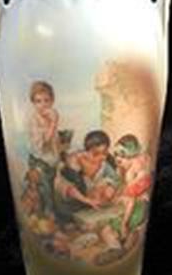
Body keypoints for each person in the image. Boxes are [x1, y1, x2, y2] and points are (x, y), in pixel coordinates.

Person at [54, 130, 120, 226]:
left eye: (104, 153)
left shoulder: (105, 163)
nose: (102, 157)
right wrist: (87, 200)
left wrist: (110, 189)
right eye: (96, 154)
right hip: (72, 206)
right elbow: (66, 187)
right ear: (87, 151)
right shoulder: (73, 162)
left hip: (92, 208)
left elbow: (114, 179)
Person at [26, 81, 60, 216]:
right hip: (39, 161)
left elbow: (54, 140)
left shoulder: (50, 115)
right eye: (38, 101)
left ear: (52, 101)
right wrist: (53, 122)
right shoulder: (34, 120)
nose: (43, 105)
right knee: (45, 191)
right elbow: (44, 142)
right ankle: (49, 216)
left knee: (50, 188)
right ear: (33, 103)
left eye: (46, 100)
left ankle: (53, 216)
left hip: (50, 160)